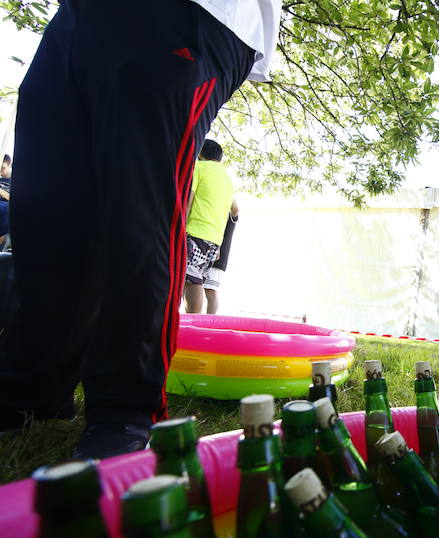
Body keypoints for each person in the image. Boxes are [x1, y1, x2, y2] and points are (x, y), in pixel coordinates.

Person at [0, 0, 278, 458]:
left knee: (138, 209)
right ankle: (35, 389)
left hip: (191, 13)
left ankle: (126, 408)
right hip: (81, 13)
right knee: (46, 206)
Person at [183, 139, 238, 314]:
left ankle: (186, 321)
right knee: (196, 279)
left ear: (200, 153)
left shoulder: (199, 168)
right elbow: (232, 211)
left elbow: (188, 201)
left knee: (189, 280)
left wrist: (180, 227)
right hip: (214, 240)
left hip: (195, 232)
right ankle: (193, 323)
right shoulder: (228, 180)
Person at [203, 210, 238, 315]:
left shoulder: (229, 211)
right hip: (205, 251)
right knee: (194, 286)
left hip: (219, 257)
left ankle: (210, 321)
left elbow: (235, 210)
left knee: (210, 290)